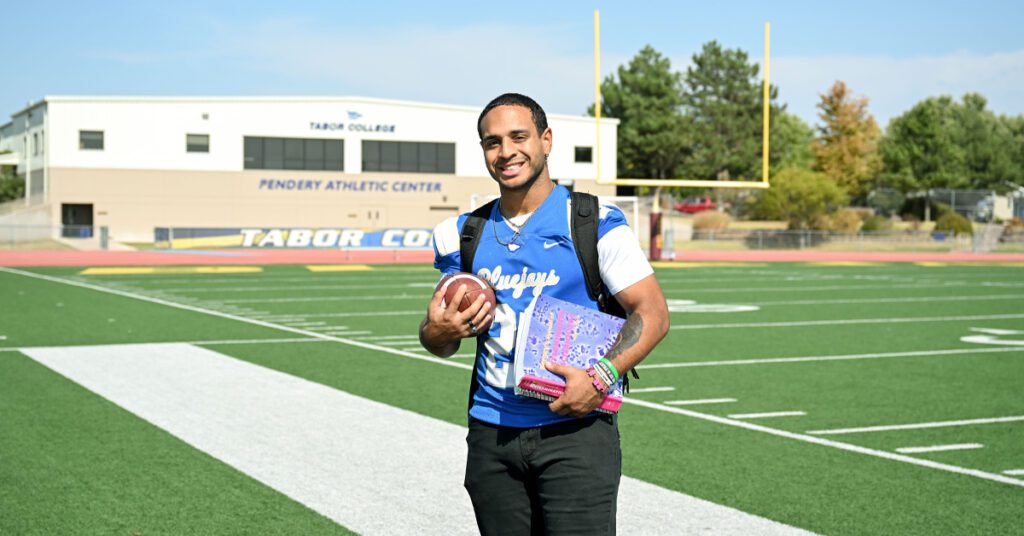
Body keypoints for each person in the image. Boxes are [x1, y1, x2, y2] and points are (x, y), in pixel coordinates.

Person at [419, 93, 669, 535]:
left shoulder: (592, 221)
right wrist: (437, 332)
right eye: (493, 142)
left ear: (546, 140)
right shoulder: (463, 234)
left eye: (519, 136)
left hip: (576, 430)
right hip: (491, 432)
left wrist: (599, 379)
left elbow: (652, 314)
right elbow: (440, 343)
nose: (506, 151)